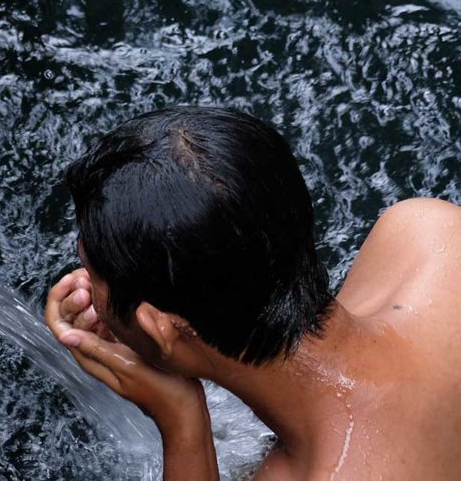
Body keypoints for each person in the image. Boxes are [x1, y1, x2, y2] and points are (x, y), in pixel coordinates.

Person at [44, 105, 461, 479]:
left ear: (157, 327)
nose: (83, 285)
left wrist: (180, 419)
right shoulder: (427, 233)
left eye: (89, 270)